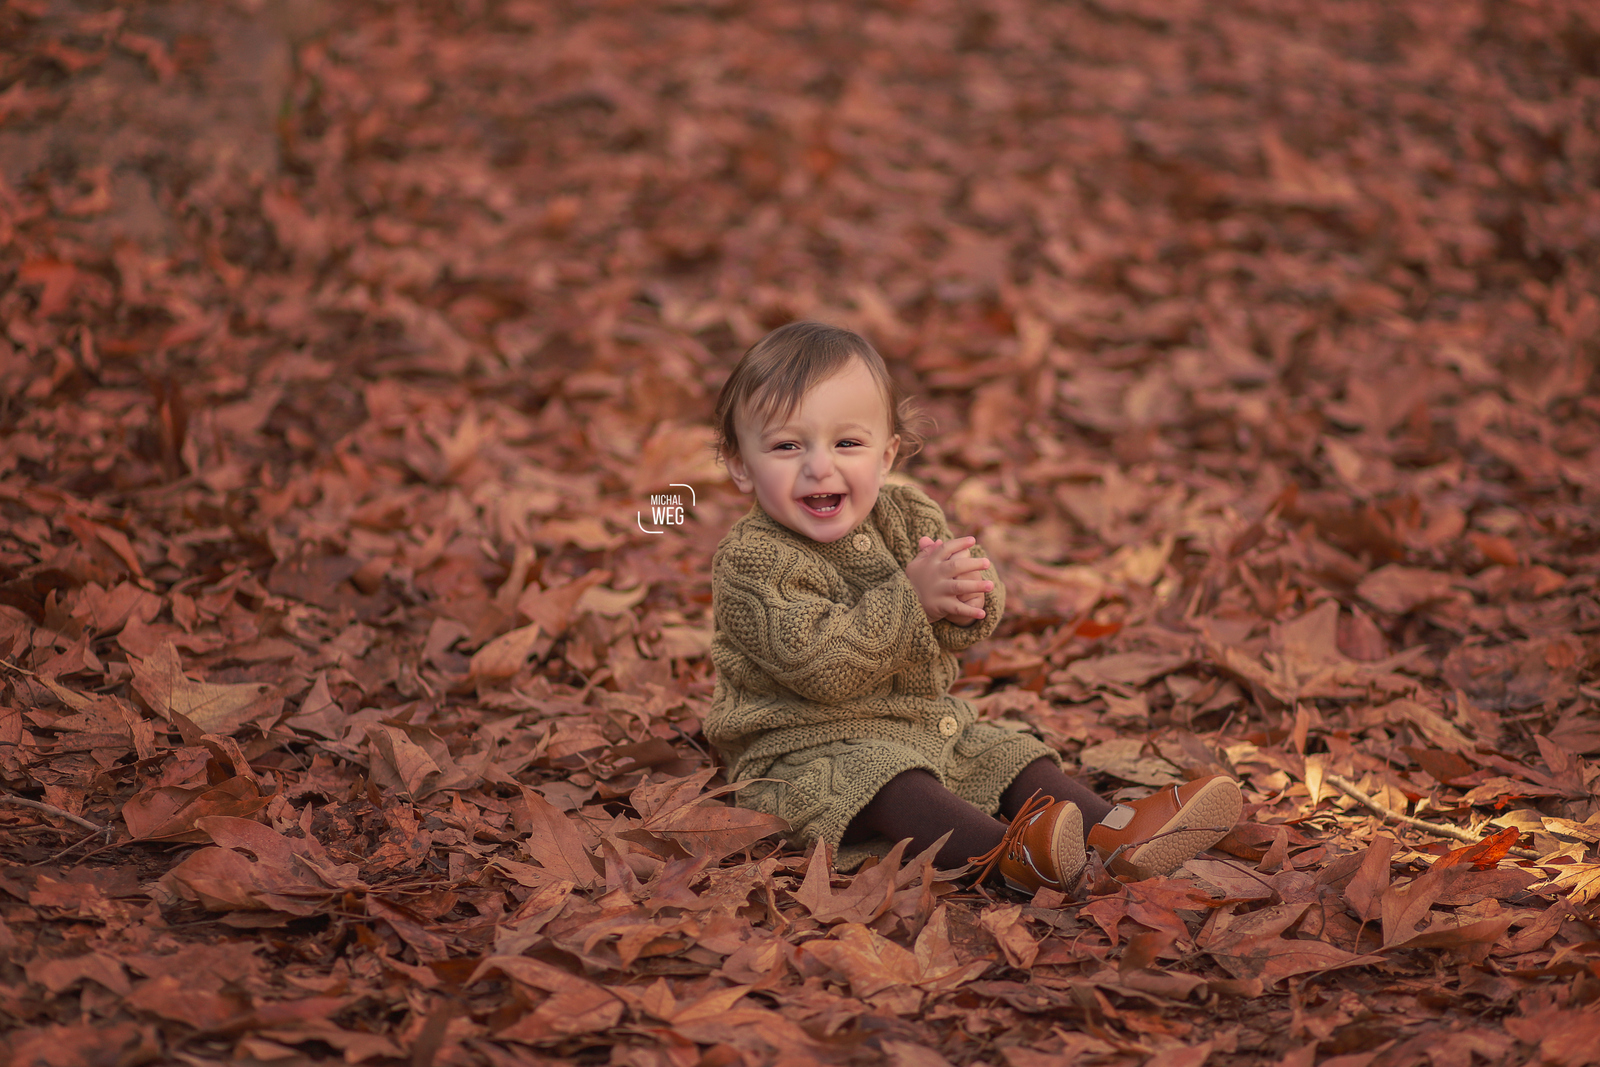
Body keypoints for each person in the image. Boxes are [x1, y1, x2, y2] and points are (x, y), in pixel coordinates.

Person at [705, 321, 1241, 891]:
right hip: (800, 753)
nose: (819, 466)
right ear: (740, 464)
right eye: (787, 446)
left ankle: (1116, 832)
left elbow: (969, 603)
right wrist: (913, 601)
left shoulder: (908, 513)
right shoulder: (750, 559)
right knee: (889, 781)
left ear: (886, 455)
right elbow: (817, 665)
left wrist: (967, 601)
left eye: (848, 443)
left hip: (919, 726)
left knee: (1008, 753)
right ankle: (1006, 855)